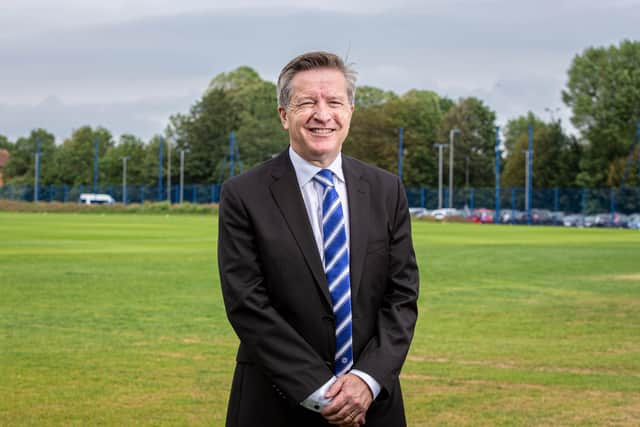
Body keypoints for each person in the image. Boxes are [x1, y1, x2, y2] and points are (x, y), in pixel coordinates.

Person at [218, 51, 419, 427]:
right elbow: (247, 303)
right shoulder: (244, 194)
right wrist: (320, 389)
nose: (322, 114)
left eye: (334, 102)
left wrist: (367, 379)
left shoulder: (386, 190)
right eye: (307, 102)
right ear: (283, 115)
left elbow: (402, 296)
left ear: (350, 112)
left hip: (373, 406)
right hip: (274, 404)